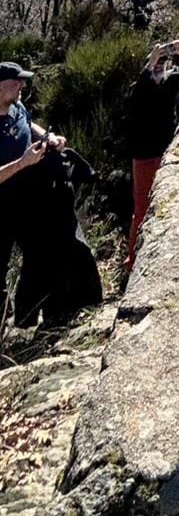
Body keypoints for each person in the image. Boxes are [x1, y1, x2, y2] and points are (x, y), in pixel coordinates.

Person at [0, 61, 101, 327]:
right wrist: (22, 163)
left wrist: (50, 137)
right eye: (17, 82)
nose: (23, 85)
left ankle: (25, 321)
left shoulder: (16, 107)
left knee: (39, 257)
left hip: (27, 201)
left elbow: (30, 124)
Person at [124, 39, 179, 270]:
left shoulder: (170, 82)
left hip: (165, 152)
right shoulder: (140, 86)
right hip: (144, 156)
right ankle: (134, 259)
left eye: (162, 63)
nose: (159, 67)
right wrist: (151, 63)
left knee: (166, 203)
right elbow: (139, 93)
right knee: (142, 208)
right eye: (155, 63)